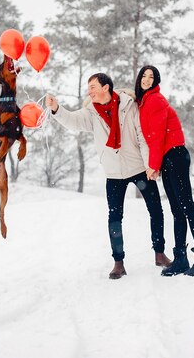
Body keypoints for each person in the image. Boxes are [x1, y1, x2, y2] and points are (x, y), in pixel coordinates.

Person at [45, 73, 172, 279]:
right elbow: (73, 121)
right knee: (115, 218)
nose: (90, 91)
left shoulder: (129, 105)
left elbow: (141, 134)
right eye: (89, 87)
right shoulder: (91, 112)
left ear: (106, 87)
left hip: (139, 167)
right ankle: (118, 262)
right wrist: (56, 109)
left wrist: (150, 164)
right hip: (114, 173)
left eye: (93, 87)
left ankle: (159, 253)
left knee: (156, 210)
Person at [134, 65, 194, 277]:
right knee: (177, 210)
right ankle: (180, 258)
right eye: (144, 76)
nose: (147, 79)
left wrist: (152, 165)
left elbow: (158, 134)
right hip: (168, 157)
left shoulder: (155, 100)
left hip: (176, 155)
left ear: (156, 80)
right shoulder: (144, 102)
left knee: (186, 205)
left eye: (151, 77)